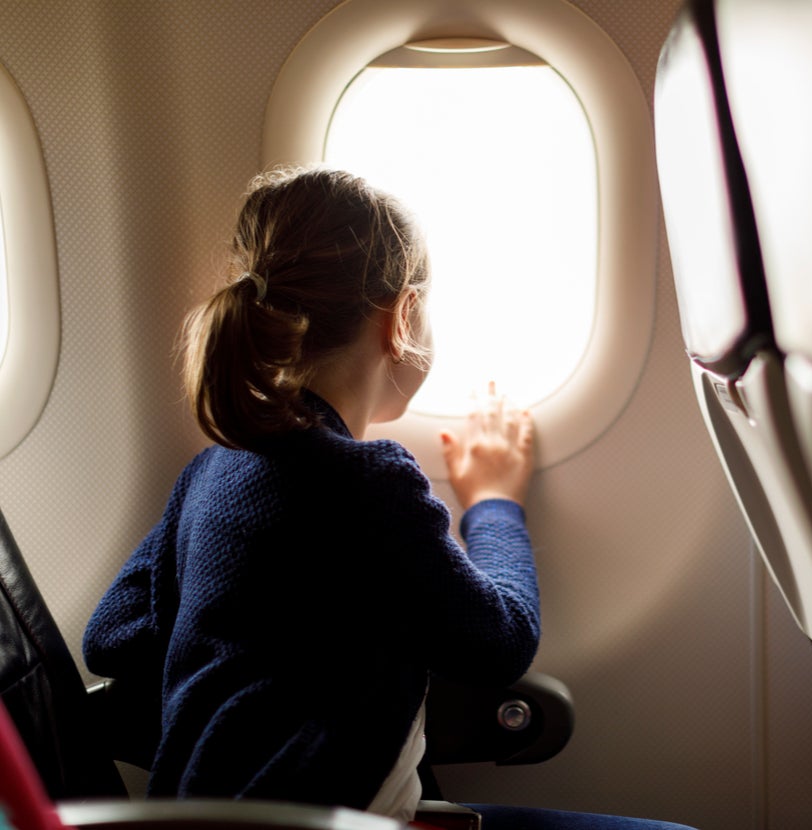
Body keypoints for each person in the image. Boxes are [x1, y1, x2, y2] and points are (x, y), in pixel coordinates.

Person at [82, 168, 697, 830]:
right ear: (402, 315)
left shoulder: (210, 470)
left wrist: (250, 647)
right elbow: (501, 642)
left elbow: (110, 638)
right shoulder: (371, 482)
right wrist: (492, 502)